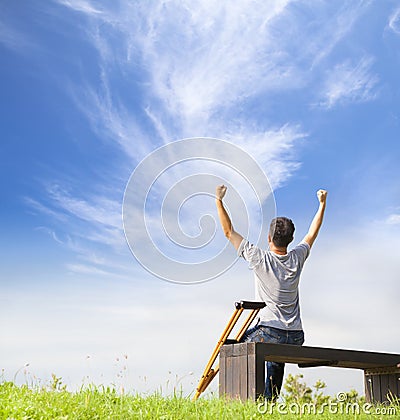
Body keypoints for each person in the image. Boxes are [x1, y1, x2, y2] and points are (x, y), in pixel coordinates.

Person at [215, 185, 328, 400]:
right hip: (296, 336)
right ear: (291, 239)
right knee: (275, 355)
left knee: (233, 347)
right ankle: (269, 402)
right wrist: (322, 204)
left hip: (269, 332)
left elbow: (229, 232)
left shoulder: (259, 258)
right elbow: (313, 232)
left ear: (269, 238)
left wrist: (218, 200)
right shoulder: (298, 257)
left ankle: (241, 399)